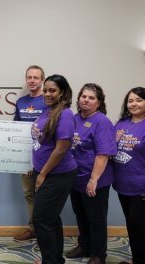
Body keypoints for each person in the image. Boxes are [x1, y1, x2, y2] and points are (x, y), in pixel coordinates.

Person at [67, 84, 116, 264]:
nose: (86, 100)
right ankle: (84, 245)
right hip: (76, 178)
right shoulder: (74, 118)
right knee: (80, 214)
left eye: (91, 98)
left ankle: (98, 254)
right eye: (83, 96)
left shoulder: (102, 122)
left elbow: (103, 153)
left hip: (95, 180)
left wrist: (93, 179)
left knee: (96, 219)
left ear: (99, 102)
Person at [31, 74, 77, 264]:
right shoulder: (48, 110)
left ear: (63, 92)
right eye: (46, 90)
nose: (48, 94)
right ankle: (56, 259)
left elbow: (61, 148)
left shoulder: (65, 114)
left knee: (40, 219)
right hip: (43, 172)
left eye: (53, 90)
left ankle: (50, 261)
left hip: (57, 175)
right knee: (50, 218)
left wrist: (42, 174)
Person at [13, 65, 47, 241]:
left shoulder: (48, 102)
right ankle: (33, 228)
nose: (32, 80)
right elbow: (15, 127)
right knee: (29, 193)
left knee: (44, 194)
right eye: (29, 77)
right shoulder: (21, 102)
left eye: (36, 77)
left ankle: (44, 229)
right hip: (24, 157)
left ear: (42, 80)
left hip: (45, 157)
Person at [113, 87, 145, 264]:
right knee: (132, 224)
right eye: (131, 100)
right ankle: (137, 257)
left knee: (139, 225)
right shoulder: (121, 123)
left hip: (141, 186)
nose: (134, 104)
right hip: (122, 184)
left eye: (139, 100)